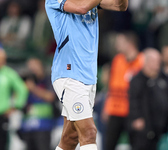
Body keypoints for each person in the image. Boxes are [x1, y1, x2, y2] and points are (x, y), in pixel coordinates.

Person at [45, 0, 129, 149]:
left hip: (88, 77)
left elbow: (120, 6)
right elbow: (81, 8)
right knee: (89, 132)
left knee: (70, 137)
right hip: (69, 74)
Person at [102, 32, 144, 150]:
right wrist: (107, 108)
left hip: (133, 111)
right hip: (115, 110)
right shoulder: (117, 60)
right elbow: (112, 86)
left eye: (120, 43)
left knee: (137, 145)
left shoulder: (142, 61)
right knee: (109, 144)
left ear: (130, 44)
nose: (117, 46)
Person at [128, 48, 168, 150]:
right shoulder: (137, 80)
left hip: (158, 128)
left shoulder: (160, 79)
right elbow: (133, 101)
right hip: (143, 129)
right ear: (147, 61)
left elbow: (166, 100)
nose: (158, 64)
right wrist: (137, 118)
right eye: (155, 61)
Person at [0, 45, 28, 150]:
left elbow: (22, 90)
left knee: (1, 145)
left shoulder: (8, 73)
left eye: (1, 59)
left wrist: (15, 106)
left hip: (1, 115)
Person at [20, 58, 56, 150]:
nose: (33, 69)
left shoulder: (49, 79)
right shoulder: (24, 81)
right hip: (27, 126)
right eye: (30, 67)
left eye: (35, 66)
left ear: (41, 67)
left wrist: (33, 88)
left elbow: (50, 97)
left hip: (44, 126)